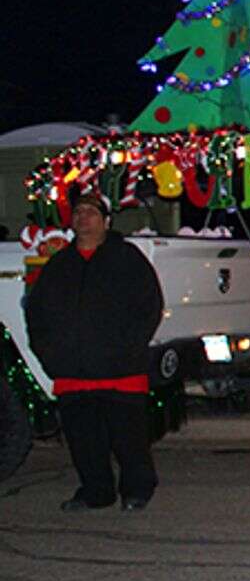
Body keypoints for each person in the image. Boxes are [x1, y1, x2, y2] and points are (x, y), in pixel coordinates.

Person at [26, 192, 164, 512]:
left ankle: (136, 490)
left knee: (128, 439)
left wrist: (127, 350)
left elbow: (148, 309)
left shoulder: (127, 258)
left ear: (106, 221)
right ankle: (95, 491)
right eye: (78, 213)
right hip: (72, 373)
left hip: (121, 371)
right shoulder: (59, 264)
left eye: (91, 212)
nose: (83, 218)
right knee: (84, 441)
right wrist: (50, 354)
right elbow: (36, 314)